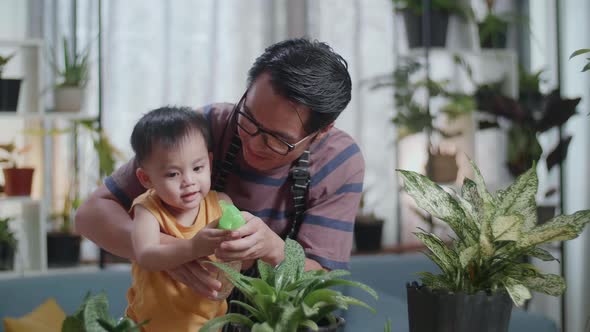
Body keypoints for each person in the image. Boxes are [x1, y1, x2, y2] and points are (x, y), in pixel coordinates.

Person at [75, 37, 364, 310]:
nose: (251, 141)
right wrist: (175, 253)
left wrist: (273, 249)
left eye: (276, 139)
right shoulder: (207, 126)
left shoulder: (339, 162)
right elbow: (91, 215)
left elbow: (324, 283)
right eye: (248, 117)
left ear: (322, 131)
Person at [124, 107, 233, 331]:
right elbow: (145, 255)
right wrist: (193, 247)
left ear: (209, 163)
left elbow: (235, 259)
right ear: (146, 178)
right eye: (173, 174)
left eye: (197, 168)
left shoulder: (222, 204)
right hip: (148, 326)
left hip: (209, 325)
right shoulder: (148, 209)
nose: (189, 181)